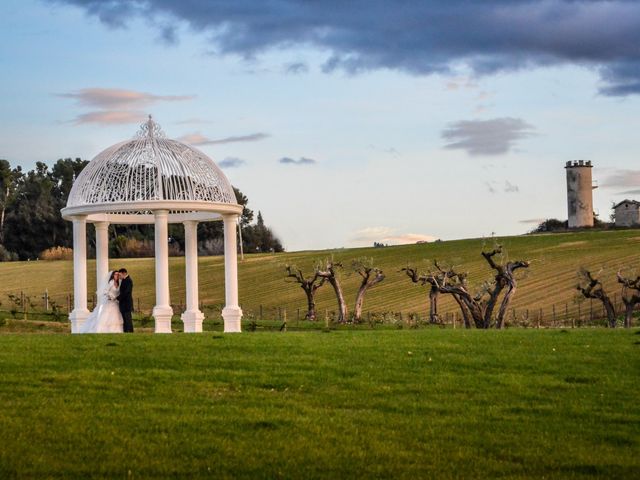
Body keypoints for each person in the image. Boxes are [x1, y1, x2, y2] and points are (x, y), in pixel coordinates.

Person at [118, 268, 134, 333]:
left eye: (120, 275)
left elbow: (126, 292)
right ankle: (126, 332)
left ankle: (130, 332)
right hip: (123, 304)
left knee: (128, 319)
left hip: (127, 304)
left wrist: (118, 298)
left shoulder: (129, 281)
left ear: (124, 273)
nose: (119, 276)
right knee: (125, 319)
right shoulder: (124, 280)